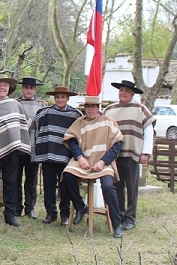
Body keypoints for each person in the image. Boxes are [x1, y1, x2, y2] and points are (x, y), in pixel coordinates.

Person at [63, 96, 124, 238]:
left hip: (103, 162)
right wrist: (79, 157)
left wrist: (103, 161)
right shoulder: (79, 123)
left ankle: (117, 224)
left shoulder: (108, 122)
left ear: (98, 107)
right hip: (84, 160)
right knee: (68, 174)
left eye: (93, 106)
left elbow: (117, 144)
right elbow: (72, 140)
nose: (90, 109)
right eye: (88, 106)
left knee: (108, 186)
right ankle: (80, 207)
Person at [103, 80, 156, 231]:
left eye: (127, 91)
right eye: (121, 90)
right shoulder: (109, 109)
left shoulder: (140, 109)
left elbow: (149, 131)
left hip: (133, 153)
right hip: (114, 155)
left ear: (132, 93)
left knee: (132, 187)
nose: (123, 93)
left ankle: (130, 218)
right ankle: (119, 215)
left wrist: (145, 152)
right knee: (117, 186)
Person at [0, 74, 29, 227]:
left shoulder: (15, 104)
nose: (2, 87)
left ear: (9, 88)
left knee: (11, 181)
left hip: (12, 148)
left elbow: (23, 124)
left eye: (5, 85)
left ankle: (10, 213)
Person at [34, 86, 82, 227]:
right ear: (54, 98)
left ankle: (65, 215)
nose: (60, 100)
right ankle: (51, 213)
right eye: (58, 97)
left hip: (65, 156)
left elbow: (79, 135)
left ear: (68, 98)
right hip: (48, 155)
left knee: (64, 186)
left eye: (63, 97)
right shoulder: (45, 113)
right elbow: (37, 130)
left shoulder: (75, 115)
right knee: (49, 184)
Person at [15, 77, 47, 219]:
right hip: (18, 147)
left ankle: (30, 208)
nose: (28, 90)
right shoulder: (15, 103)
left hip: (34, 147)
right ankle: (16, 207)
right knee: (15, 179)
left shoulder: (42, 105)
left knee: (31, 180)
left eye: (31, 88)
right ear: (22, 88)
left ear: (35, 89)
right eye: (26, 87)